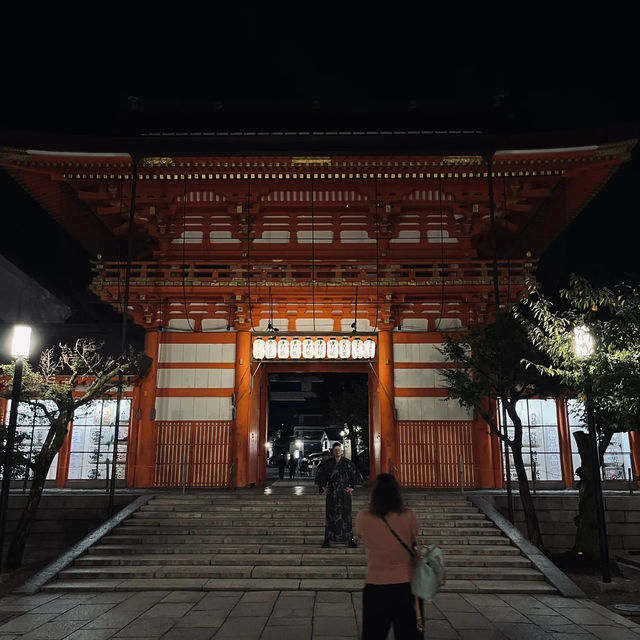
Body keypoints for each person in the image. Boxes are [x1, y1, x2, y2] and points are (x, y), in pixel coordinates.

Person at [355, 473, 423, 640]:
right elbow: (413, 537)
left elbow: (362, 536)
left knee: (373, 634)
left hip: (376, 585)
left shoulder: (363, 518)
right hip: (406, 586)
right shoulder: (408, 516)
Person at [315, 441, 362, 548]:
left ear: (342, 451)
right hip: (332, 493)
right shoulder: (327, 464)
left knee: (346, 515)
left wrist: (352, 487)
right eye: (335, 450)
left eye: (339, 450)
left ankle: (350, 539)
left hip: (344, 493)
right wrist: (323, 487)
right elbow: (320, 475)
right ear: (333, 451)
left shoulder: (348, 463)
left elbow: (355, 475)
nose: (337, 451)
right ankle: (328, 539)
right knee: (330, 515)